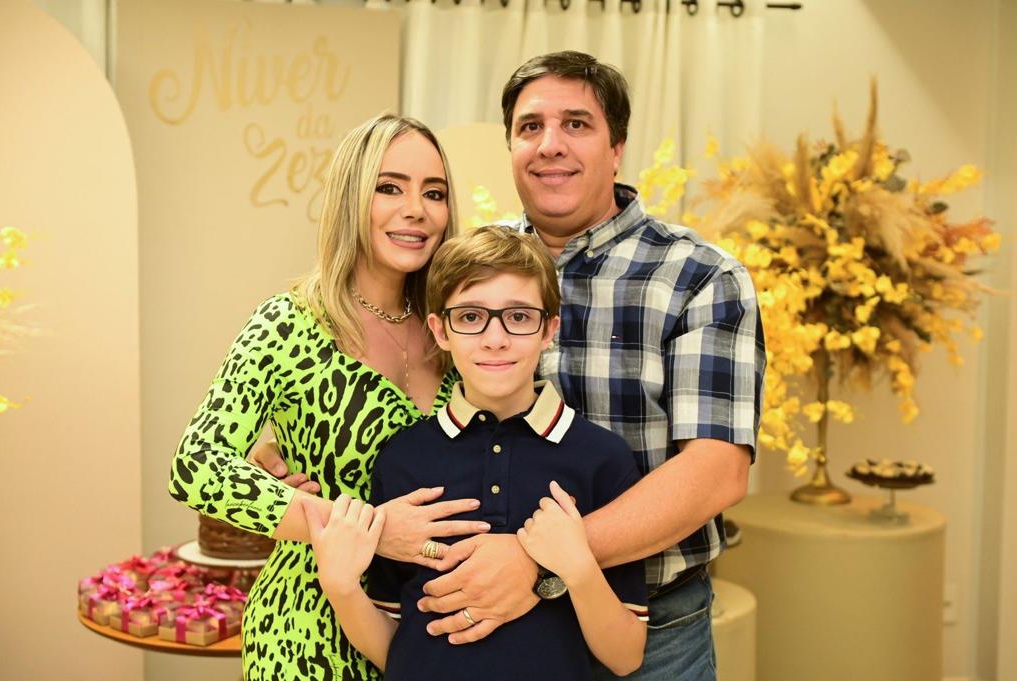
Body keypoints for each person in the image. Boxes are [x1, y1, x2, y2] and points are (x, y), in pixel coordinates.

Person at [253, 51, 766, 681]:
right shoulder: (472, 262)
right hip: (460, 627)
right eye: (530, 127)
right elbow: (392, 363)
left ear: (617, 148)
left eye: (576, 124)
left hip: (650, 628)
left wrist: (537, 561)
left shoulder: (699, 277)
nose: (550, 145)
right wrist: (289, 446)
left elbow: (716, 474)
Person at [168, 114, 492, 681]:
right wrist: (370, 528)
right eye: (389, 187)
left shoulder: (455, 329)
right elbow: (196, 467)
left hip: (430, 632)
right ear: (350, 197)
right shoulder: (289, 323)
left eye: (434, 192)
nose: (416, 209)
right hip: (307, 631)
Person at [305, 226, 648, 680]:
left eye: (519, 317)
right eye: (470, 317)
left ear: (550, 328)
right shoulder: (403, 458)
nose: (495, 339)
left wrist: (578, 567)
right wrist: (341, 588)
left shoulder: (602, 458)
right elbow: (396, 650)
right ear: (440, 330)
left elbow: (626, 656)